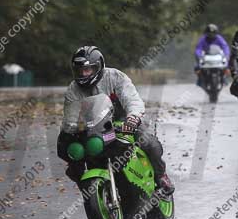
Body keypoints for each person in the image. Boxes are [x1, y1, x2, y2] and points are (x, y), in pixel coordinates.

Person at [56, 46, 174, 195]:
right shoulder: (73, 89)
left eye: (87, 70)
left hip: (123, 122)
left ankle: (160, 176)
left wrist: (133, 118)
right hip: (91, 129)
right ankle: (90, 190)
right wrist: (69, 132)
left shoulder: (115, 77)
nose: (83, 74)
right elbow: (70, 117)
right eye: (79, 71)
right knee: (72, 155)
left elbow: (132, 99)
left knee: (149, 143)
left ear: (98, 67)